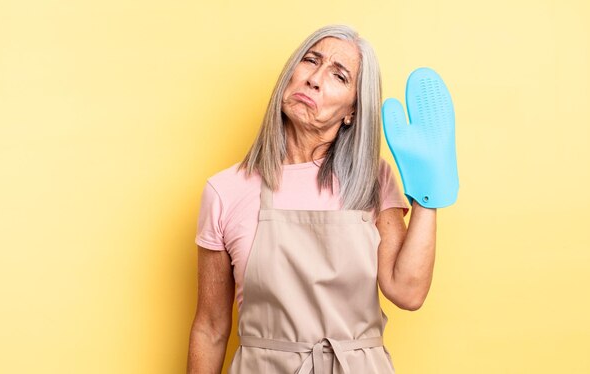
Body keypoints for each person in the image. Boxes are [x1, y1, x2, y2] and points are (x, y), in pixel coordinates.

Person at [188, 24, 438, 374]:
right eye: (310, 61)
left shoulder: (372, 179)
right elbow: (211, 328)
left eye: (339, 76)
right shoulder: (225, 190)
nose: (315, 79)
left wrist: (430, 193)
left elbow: (407, 292)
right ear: (290, 74)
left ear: (352, 111)